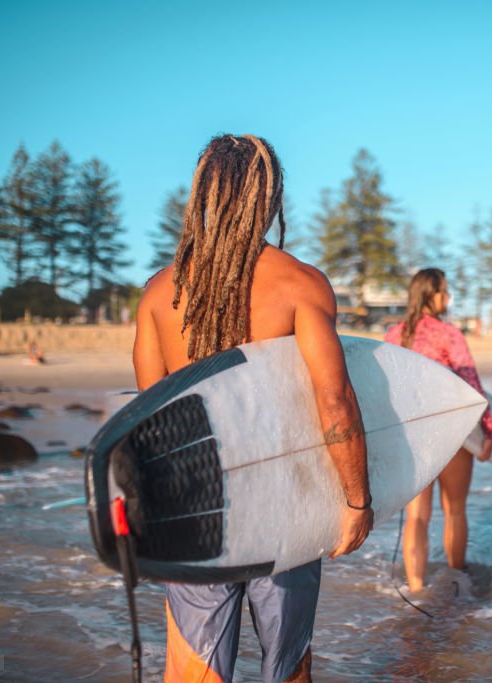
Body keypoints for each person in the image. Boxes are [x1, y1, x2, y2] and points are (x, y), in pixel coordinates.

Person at [133, 134, 373, 683]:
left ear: (203, 198)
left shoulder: (158, 295)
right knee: (288, 669)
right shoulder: (300, 284)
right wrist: (357, 499)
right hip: (283, 504)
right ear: (268, 198)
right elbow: (334, 400)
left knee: (195, 672)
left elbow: (150, 421)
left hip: (194, 510)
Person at [384, 268, 492, 592]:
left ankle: (416, 587)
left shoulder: (395, 335)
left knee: (417, 515)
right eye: (444, 292)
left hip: (413, 435)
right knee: (455, 510)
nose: (449, 298)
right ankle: (457, 579)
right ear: (430, 295)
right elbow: (472, 385)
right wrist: (488, 431)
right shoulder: (449, 335)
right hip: (452, 433)